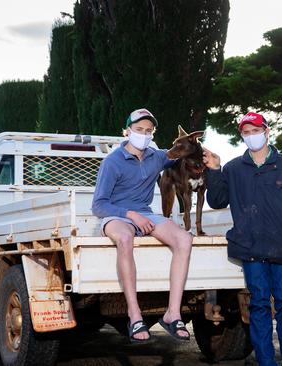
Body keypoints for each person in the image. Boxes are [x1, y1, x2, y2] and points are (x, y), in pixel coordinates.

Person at [202, 111, 282, 366]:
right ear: (242, 135)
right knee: (259, 307)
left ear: (267, 132)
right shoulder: (233, 168)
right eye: (247, 132)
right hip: (250, 249)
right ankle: (265, 362)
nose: (252, 136)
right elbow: (217, 200)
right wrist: (215, 170)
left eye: (256, 130)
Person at [92, 108, 193, 343]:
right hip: (116, 216)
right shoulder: (112, 162)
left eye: (149, 131)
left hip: (146, 213)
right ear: (127, 131)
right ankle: (135, 315)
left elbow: (184, 151)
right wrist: (130, 215)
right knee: (125, 239)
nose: (144, 134)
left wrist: (206, 155)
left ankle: (172, 314)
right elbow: (98, 205)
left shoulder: (156, 156)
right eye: (139, 130)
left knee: (184, 239)